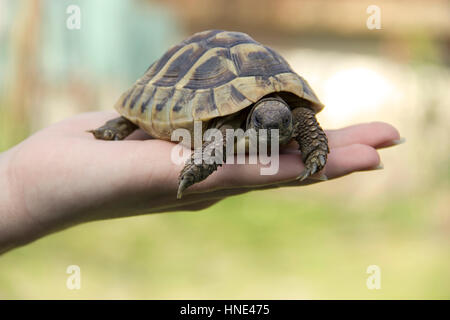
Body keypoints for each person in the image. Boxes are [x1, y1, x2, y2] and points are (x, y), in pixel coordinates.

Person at [0, 111, 403, 254]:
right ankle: (124, 121)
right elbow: (222, 137)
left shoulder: (288, 117)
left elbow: (297, 120)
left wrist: (312, 144)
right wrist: (15, 187)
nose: (279, 131)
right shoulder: (230, 127)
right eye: (268, 124)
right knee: (212, 140)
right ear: (251, 119)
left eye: (285, 124)